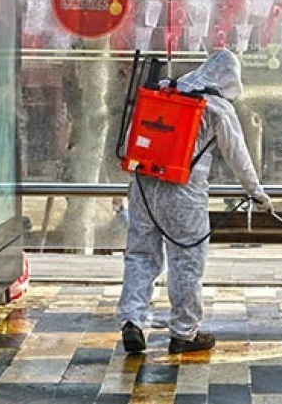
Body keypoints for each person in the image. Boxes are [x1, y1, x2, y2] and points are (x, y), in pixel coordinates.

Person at [116, 49, 272, 355]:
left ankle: (132, 321)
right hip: (183, 191)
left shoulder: (166, 90)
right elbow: (238, 156)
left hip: (144, 185)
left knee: (140, 255)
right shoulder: (216, 107)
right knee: (186, 259)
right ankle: (184, 333)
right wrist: (256, 193)